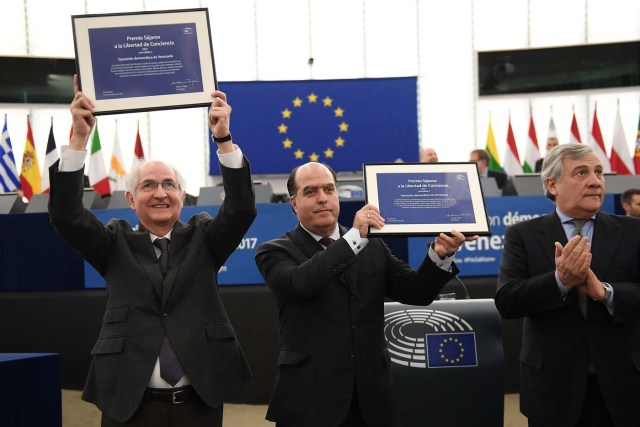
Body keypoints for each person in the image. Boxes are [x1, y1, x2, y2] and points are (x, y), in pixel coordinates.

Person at [48, 76, 257, 426]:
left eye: (169, 185)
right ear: (131, 200)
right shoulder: (114, 243)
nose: (160, 193)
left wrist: (223, 139)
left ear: (182, 195)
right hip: (129, 404)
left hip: (199, 402)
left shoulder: (205, 237)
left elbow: (241, 209)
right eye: (148, 185)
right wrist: (80, 139)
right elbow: (67, 216)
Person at [254, 161, 476, 427]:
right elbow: (300, 283)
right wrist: (354, 239)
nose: (323, 198)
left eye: (329, 189)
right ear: (293, 203)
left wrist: (440, 255)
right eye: (311, 192)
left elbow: (416, 292)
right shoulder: (274, 251)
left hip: (372, 397)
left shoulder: (372, 246)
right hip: (310, 397)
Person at [495, 143, 640, 426]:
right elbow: (507, 300)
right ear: (552, 184)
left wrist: (605, 293)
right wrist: (560, 281)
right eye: (581, 173)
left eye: (598, 172)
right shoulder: (522, 235)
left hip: (624, 385)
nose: (595, 181)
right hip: (551, 387)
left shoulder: (634, 231)